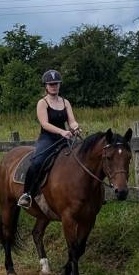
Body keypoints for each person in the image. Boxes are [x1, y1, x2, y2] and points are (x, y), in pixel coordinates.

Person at [18, 70, 82, 209]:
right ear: (46, 86)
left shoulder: (66, 102)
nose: (54, 86)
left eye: (56, 84)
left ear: (59, 85)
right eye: (51, 84)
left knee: (81, 157)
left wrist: (75, 127)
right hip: (47, 138)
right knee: (37, 162)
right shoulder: (42, 103)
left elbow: (72, 121)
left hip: (64, 138)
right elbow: (45, 124)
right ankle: (27, 194)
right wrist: (62, 132)